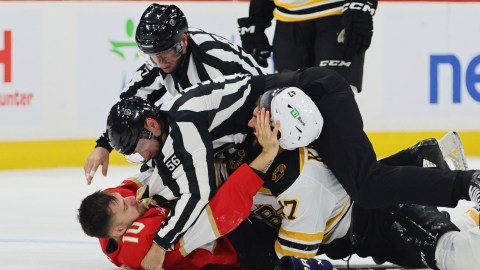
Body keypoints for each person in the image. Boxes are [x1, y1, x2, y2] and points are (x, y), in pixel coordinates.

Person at [105, 67, 480, 269]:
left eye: (141, 148)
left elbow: (197, 191)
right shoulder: (192, 133)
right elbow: (181, 176)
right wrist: (140, 191)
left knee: (366, 185)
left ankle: (468, 182)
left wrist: (162, 241)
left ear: (152, 126)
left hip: (310, 101)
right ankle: (418, 159)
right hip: (288, 109)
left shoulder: (187, 130)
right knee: (356, 180)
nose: (148, 157)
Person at [78, 108, 281, 270]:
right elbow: (219, 214)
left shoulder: (113, 214)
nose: (131, 199)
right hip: (236, 246)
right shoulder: (144, 245)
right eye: (125, 206)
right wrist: (266, 156)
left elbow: (145, 179)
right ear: (119, 230)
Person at [83, 3, 264, 184]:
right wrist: (104, 145)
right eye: (152, 55)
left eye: (164, 53)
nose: (159, 61)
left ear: (183, 42)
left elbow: (244, 116)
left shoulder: (213, 64)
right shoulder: (162, 56)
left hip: (253, 131)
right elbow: (129, 104)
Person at [237, 0, 377, 92]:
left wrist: (361, 5)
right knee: (289, 104)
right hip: (287, 23)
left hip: (336, 16)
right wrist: (257, 15)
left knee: (334, 100)